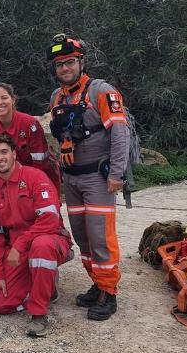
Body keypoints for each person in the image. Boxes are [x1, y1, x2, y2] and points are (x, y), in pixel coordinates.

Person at [46, 33, 129, 321]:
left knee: (100, 235)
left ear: (81, 62)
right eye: (59, 65)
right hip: (71, 179)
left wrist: (117, 174)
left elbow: (120, 132)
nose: (64, 68)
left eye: (69, 62)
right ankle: (97, 283)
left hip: (97, 177)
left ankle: (109, 293)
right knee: (82, 237)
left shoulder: (101, 92)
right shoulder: (57, 97)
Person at [0, 133, 72, 337]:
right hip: (17, 250)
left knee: (41, 247)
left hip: (50, 238)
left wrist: (20, 245)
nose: (0, 157)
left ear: (14, 154)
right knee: (1, 305)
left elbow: (49, 218)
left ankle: (38, 313)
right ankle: (45, 285)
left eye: (4, 152)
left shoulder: (35, 177)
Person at [0, 82, 60, 193]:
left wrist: (27, 185)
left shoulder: (29, 123)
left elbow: (41, 161)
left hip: (39, 179)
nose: (0, 102)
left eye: (4, 98)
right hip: (6, 181)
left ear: (13, 99)